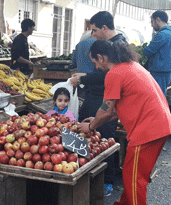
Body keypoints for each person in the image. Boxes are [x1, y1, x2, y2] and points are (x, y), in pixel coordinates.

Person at [78, 40, 171, 205]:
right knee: (133, 174)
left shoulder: (114, 74)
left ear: (100, 58)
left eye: (95, 62)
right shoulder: (131, 65)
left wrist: (91, 126)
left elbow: (105, 110)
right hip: (161, 125)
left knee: (134, 179)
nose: (96, 68)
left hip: (147, 130)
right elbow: (117, 108)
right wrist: (97, 120)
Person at [70, 11, 127, 197]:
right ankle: (89, 176)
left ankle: (107, 181)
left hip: (105, 98)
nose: (92, 34)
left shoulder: (118, 46)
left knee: (105, 139)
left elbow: (106, 77)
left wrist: (85, 77)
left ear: (104, 28)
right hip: (95, 96)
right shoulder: (110, 45)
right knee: (90, 138)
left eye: (94, 30)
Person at [143, 10, 171, 96]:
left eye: (152, 21)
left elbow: (148, 51)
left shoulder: (162, 34)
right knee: (162, 93)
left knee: (158, 95)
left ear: (158, 20)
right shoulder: (169, 33)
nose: (151, 25)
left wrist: (145, 49)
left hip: (159, 71)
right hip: (166, 70)